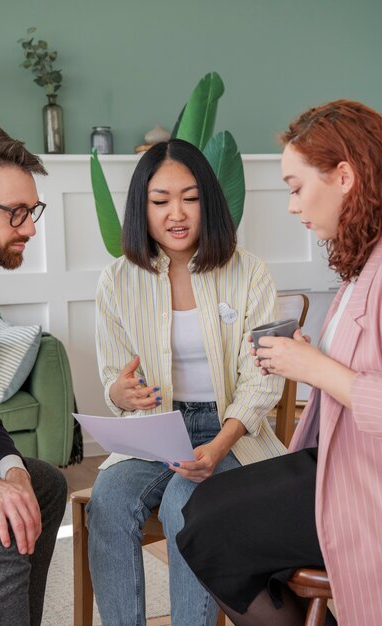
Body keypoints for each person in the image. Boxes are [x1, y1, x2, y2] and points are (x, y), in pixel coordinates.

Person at [176, 99, 382, 626]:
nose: (292, 206)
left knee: (211, 527)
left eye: (295, 187)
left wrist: (313, 368)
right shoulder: (364, 263)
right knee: (203, 513)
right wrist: (310, 357)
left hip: (366, 484)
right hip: (340, 462)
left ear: (344, 176)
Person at [87, 138, 287, 625]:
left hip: (232, 432)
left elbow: (262, 382)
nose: (176, 213)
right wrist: (120, 392)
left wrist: (218, 445)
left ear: (209, 203)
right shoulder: (117, 280)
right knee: (108, 499)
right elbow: (115, 378)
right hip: (158, 432)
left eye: (191, 198)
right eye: (160, 201)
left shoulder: (249, 272)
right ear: (142, 208)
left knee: (185, 505)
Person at [0, 125, 67, 626]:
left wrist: (12, 472)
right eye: (16, 213)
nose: (29, 228)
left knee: (42, 485)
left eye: (33, 212)